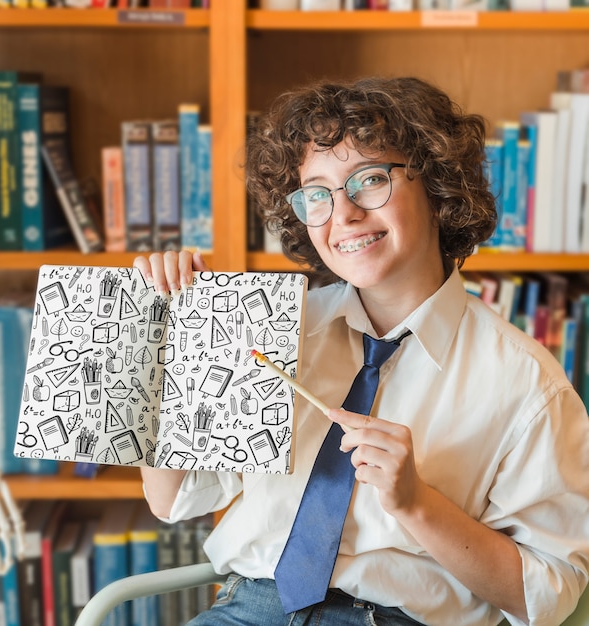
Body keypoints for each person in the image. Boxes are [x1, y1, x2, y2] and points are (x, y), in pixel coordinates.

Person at [134, 76, 589, 626]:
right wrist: (162, 344)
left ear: (439, 187)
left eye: (369, 180)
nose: (342, 213)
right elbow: (176, 499)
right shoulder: (275, 328)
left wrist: (416, 503)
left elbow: (546, 594)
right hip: (246, 610)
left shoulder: (526, 384)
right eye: (316, 193)